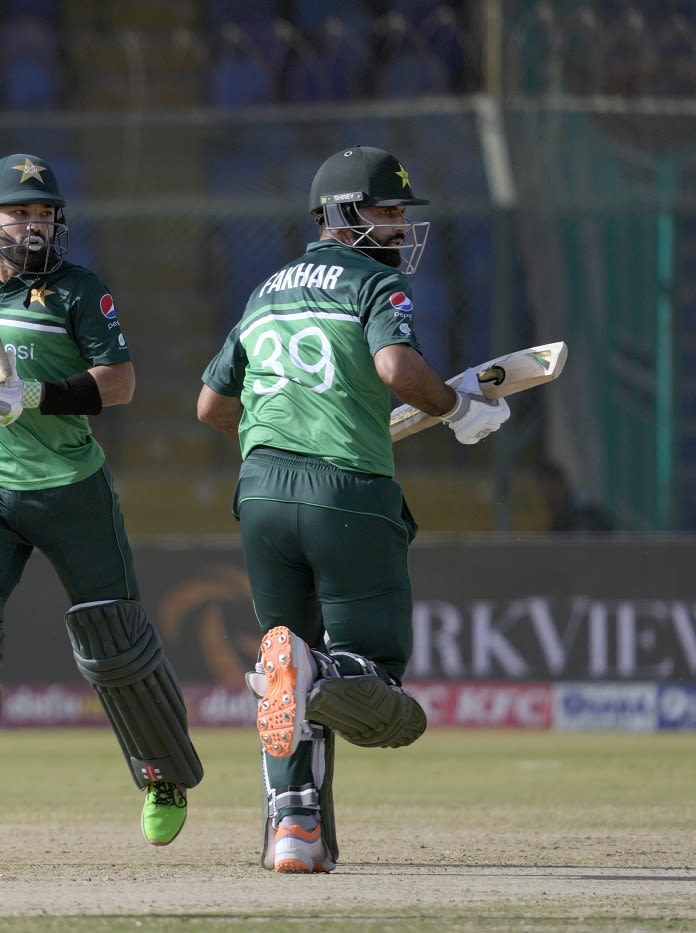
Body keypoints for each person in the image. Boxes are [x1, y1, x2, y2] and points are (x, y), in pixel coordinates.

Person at [196, 146, 511, 874]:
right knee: (378, 683)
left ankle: (294, 829)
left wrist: (282, 427)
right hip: (348, 494)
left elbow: (212, 406)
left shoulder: (265, 290)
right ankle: (317, 673)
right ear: (342, 216)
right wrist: (459, 407)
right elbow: (397, 369)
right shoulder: (375, 285)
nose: (400, 228)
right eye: (388, 212)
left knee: (286, 660)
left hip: (262, 492)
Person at [0, 153, 203, 848]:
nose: (33, 226)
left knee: (112, 641)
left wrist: (32, 396)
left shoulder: (80, 290)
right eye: (19, 213)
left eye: (44, 214)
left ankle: (163, 775)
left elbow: (118, 384)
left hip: (69, 487)